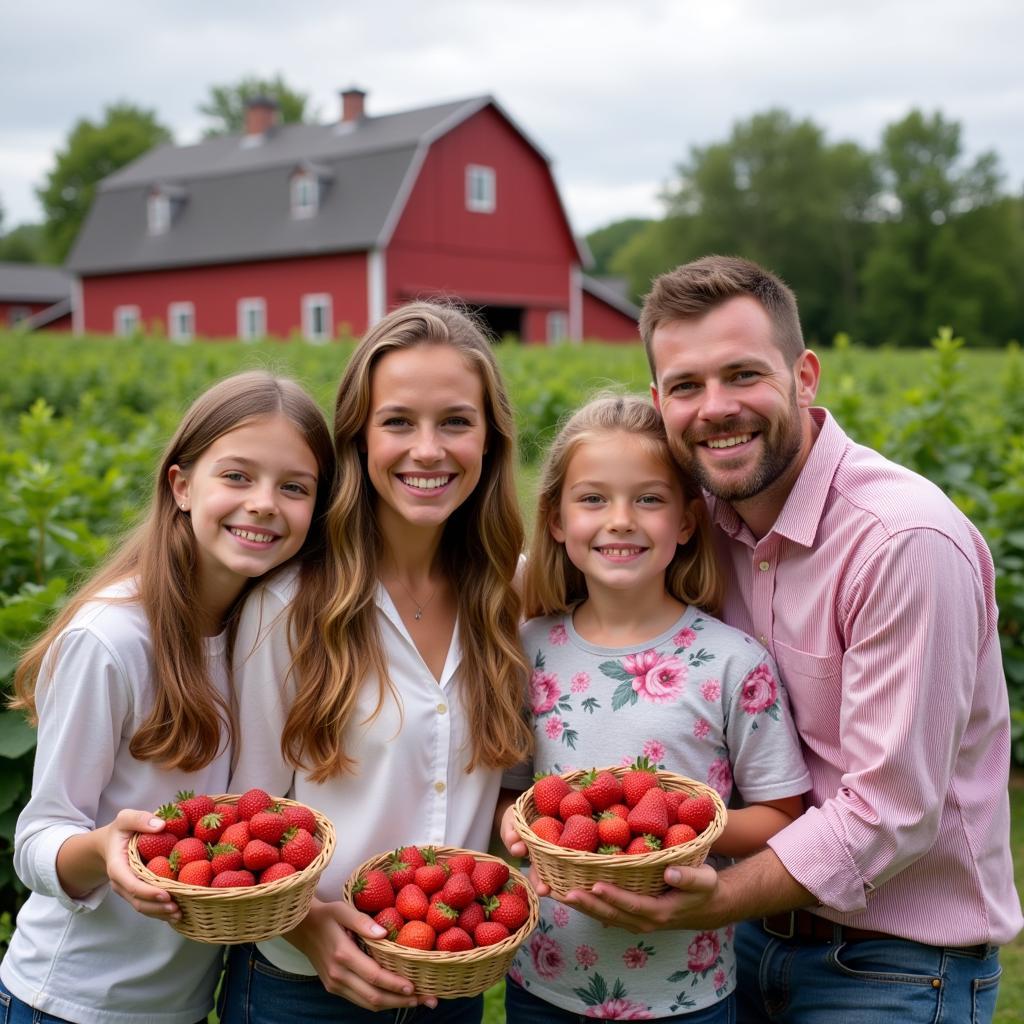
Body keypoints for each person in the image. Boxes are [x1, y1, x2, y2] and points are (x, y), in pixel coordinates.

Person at [566, 255, 1021, 1022]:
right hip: (746, 940)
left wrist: (704, 904)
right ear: (659, 401)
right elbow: (556, 572)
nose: (715, 408)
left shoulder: (901, 542)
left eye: (743, 374)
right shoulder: (693, 524)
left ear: (804, 376)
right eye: (685, 386)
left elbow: (891, 812)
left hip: (893, 965)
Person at [218, 302, 534, 1023]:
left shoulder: (509, 596)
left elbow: (498, 796)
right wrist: (306, 928)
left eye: (456, 421)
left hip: (449, 983)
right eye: (398, 422)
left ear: (490, 440)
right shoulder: (289, 605)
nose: (428, 449)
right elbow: (249, 811)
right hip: (302, 987)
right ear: (358, 439)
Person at [0, 371, 335, 1024]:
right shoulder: (113, 639)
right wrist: (101, 852)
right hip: (70, 1003)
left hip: (180, 1005)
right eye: (237, 477)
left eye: (294, 487)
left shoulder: (265, 633)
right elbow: (37, 838)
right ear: (182, 486)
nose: (264, 503)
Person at [498, 394, 810, 1021]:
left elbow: (781, 815)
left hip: (686, 989)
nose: (620, 520)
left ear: (687, 522)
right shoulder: (530, 648)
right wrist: (514, 826)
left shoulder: (731, 662)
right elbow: (512, 791)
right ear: (556, 520)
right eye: (592, 499)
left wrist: (680, 830)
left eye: (648, 498)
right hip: (546, 981)